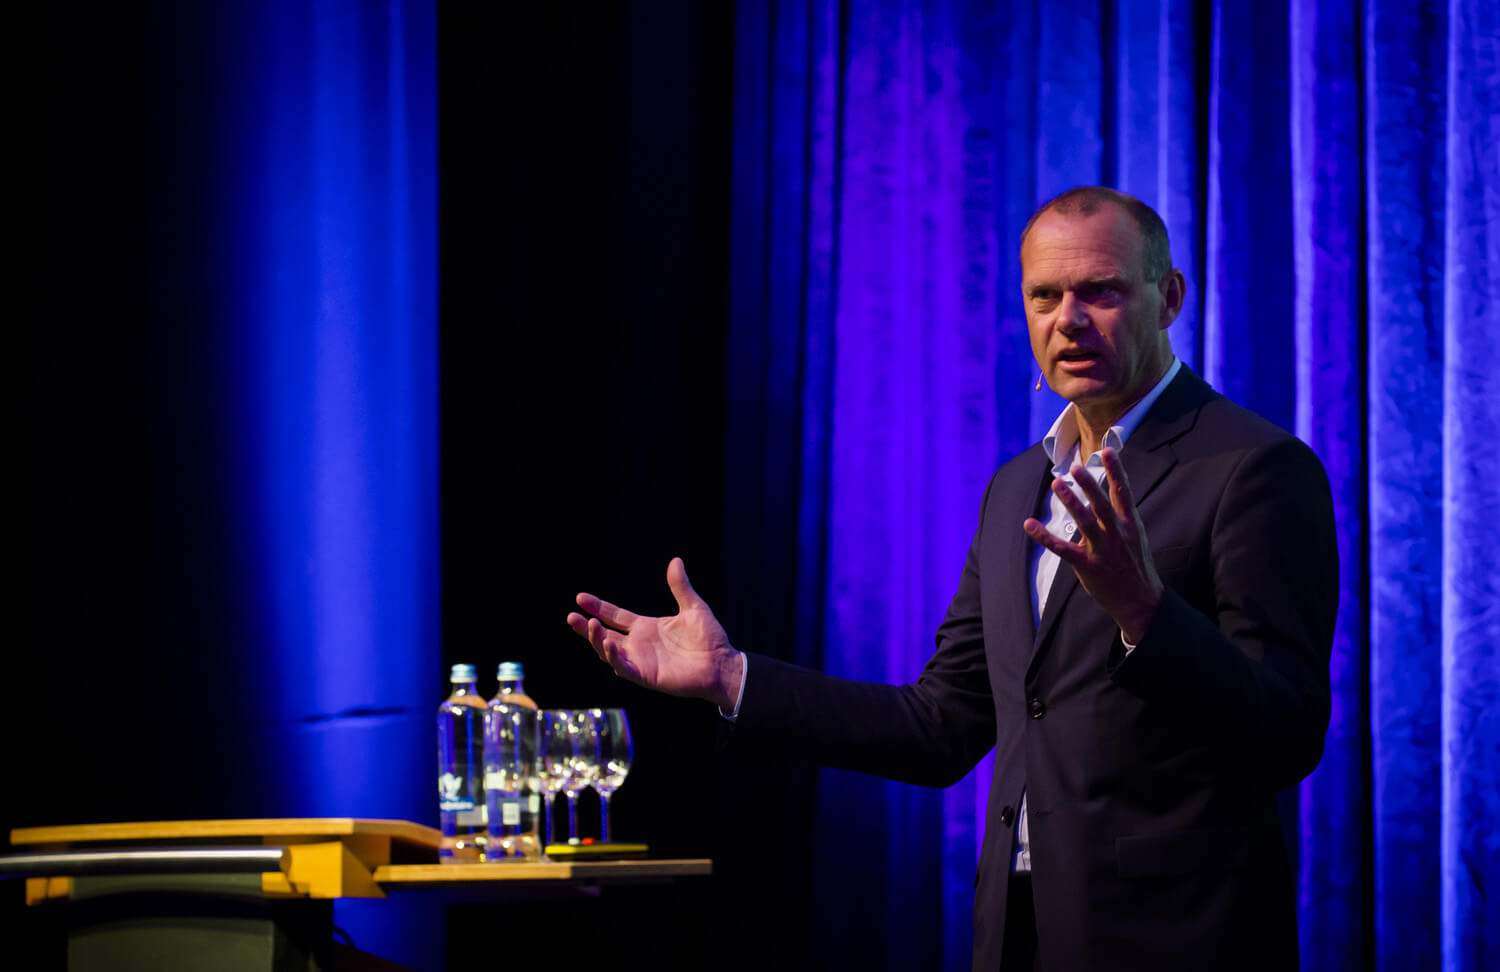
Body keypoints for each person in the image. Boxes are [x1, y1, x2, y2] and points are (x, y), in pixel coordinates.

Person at [566, 187, 1337, 971]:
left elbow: (1287, 733)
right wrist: (734, 678)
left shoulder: (1254, 469)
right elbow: (940, 725)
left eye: (1100, 292)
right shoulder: (1017, 489)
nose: (1068, 319)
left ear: (1168, 297)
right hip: (1019, 931)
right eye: (1045, 295)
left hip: (1181, 938)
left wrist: (1145, 612)